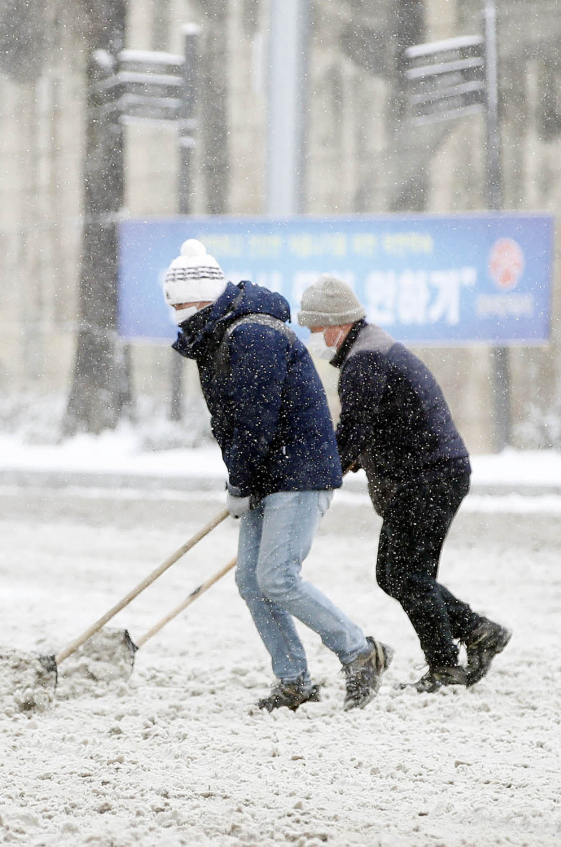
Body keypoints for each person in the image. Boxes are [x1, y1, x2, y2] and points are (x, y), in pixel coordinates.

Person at [166, 240, 392, 712]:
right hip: (268, 472)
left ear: (204, 299)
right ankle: (294, 681)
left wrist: (239, 484)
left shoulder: (253, 335)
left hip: (299, 471)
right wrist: (241, 481)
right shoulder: (215, 335)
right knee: (251, 581)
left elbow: (254, 419)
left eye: (180, 304)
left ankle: (359, 653)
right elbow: (228, 423)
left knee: (278, 577)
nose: (174, 314)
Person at [297, 274, 511, 693]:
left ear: (337, 324)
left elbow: (351, 434)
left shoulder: (365, 359)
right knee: (405, 573)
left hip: (428, 477)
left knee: (402, 573)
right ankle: (478, 632)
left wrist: (314, 479)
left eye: (316, 329)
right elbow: (373, 428)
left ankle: (446, 666)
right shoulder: (370, 348)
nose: (315, 339)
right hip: (435, 472)